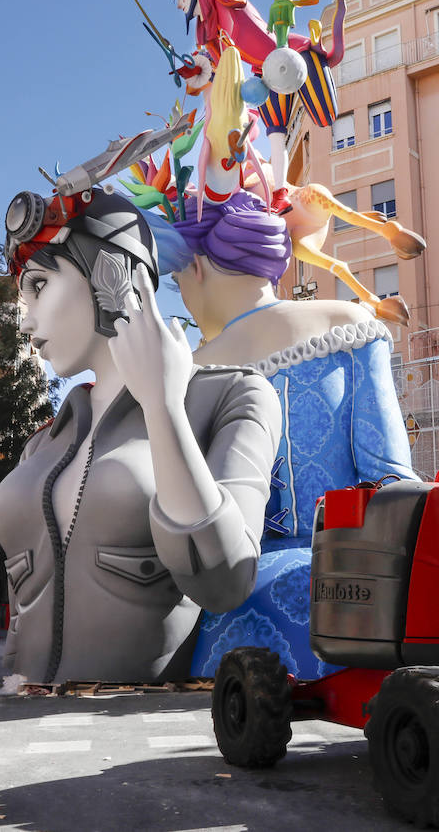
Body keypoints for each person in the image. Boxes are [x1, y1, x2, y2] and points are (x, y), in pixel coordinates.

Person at [0, 187, 281, 685]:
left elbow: (226, 579)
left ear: (113, 278)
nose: (27, 320)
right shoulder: (43, 442)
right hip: (10, 728)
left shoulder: (232, 395)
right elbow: (24, 599)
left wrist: (162, 406)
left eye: (39, 286)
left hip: (146, 738)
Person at [154, 191, 418, 680]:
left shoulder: (190, 370)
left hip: (224, 607)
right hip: (358, 584)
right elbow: (390, 478)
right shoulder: (348, 323)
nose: (184, 298)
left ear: (197, 267)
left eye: (177, 279)